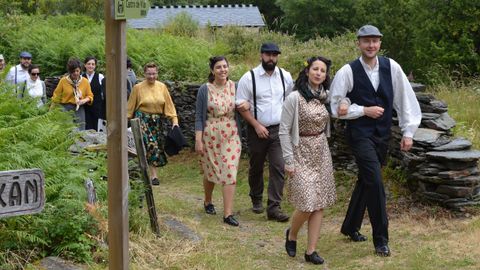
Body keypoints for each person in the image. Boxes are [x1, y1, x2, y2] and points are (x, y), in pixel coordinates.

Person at [330, 25, 421, 257]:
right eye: (366, 41)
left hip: (382, 136)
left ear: (380, 43)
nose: (371, 45)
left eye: (375, 41)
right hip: (359, 135)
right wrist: (362, 110)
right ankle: (381, 239)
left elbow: (405, 100)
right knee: (376, 181)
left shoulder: (392, 67)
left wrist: (408, 132)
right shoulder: (347, 71)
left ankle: (350, 226)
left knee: (366, 180)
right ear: (358, 43)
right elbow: (335, 107)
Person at [280, 56, 346, 265]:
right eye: (315, 69)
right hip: (300, 152)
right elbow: (283, 131)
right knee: (307, 204)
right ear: (307, 71)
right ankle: (292, 233)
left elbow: (342, 101)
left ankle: (311, 251)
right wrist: (288, 160)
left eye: (323, 71)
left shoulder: (325, 96)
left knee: (319, 204)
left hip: (321, 152)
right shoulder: (295, 98)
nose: (319, 73)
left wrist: (345, 101)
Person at [236, 42, 294, 222]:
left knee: (279, 166)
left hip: (278, 129)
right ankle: (256, 197)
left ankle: (274, 207)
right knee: (257, 165)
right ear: (261, 55)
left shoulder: (285, 76)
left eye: (274, 55)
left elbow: (290, 100)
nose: (271, 58)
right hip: (256, 129)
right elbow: (240, 105)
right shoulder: (249, 77)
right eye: (268, 55)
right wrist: (256, 125)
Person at [195, 56, 242, 227]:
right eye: (218, 67)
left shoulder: (235, 87)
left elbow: (244, 106)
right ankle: (208, 201)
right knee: (211, 171)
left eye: (225, 66)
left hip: (231, 133)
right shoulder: (204, 90)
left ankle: (228, 213)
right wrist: (198, 140)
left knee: (230, 170)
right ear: (212, 70)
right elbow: (199, 117)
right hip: (211, 134)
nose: (222, 70)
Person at [127, 62, 178, 186]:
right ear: (144, 74)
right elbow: (130, 108)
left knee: (157, 146)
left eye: (154, 73)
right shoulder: (137, 88)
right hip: (142, 119)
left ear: (157, 73)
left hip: (157, 121)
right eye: (149, 74)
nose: (151, 76)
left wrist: (174, 121)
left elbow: (169, 105)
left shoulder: (162, 87)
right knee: (150, 145)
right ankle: (153, 176)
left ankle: (147, 172)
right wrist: (125, 122)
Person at [51, 58, 93, 130]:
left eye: (77, 71)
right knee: (69, 130)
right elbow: (56, 97)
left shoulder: (85, 81)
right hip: (65, 108)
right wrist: (51, 111)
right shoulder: (63, 81)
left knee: (81, 130)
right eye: (73, 71)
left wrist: (84, 100)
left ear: (80, 70)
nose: (76, 73)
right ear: (69, 71)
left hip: (79, 108)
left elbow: (90, 96)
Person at [82, 56, 105, 131]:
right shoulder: (81, 77)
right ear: (85, 65)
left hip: (97, 108)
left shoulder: (100, 77)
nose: (90, 66)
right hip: (84, 108)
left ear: (95, 66)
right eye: (88, 64)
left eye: (93, 64)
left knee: (97, 129)